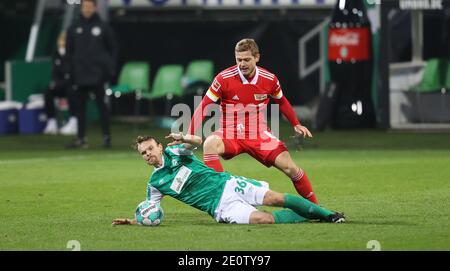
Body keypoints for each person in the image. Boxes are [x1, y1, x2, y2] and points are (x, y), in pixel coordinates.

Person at [183, 38, 318, 204]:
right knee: (209, 143)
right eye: (239, 60)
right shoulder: (223, 78)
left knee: (291, 168)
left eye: (246, 59)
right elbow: (203, 106)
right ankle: (221, 202)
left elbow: (281, 101)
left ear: (257, 57)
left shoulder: (269, 79)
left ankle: (316, 207)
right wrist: (190, 134)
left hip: (259, 134)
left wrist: (296, 123)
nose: (242, 64)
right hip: (230, 133)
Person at [112, 133, 345, 225]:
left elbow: (196, 141)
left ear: (159, 147)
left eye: (151, 148)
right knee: (264, 219)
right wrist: (133, 221)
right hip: (220, 206)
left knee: (276, 198)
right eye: (144, 152)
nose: (148, 154)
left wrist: (184, 136)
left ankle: (327, 214)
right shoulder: (155, 184)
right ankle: (309, 216)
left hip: (228, 183)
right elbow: (151, 210)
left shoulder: (176, 152)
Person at [65, 0, 118, 149]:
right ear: (81, 8)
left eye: (90, 6)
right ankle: (81, 138)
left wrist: (109, 69)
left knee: (102, 107)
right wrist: (69, 71)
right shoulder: (74, 28)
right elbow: (69, 52)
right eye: (84, 7)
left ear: (95, 8)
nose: (87, 9)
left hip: (98, 75)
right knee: (79, 108)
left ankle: (107, 137)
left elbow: (113, 49)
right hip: (79, 75)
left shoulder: (103, 27)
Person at [43, 32, 78, 136]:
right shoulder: (56, 54)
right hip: (61, 85)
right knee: (48, 91)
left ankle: (73, 122)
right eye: (61, 40)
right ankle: (51, 122)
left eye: (64, 40)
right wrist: (55, 83)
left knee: (71, 90)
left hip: (72, 85)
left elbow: (70, 72)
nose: (62, 42)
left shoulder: (72, 53)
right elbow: (55, 72)